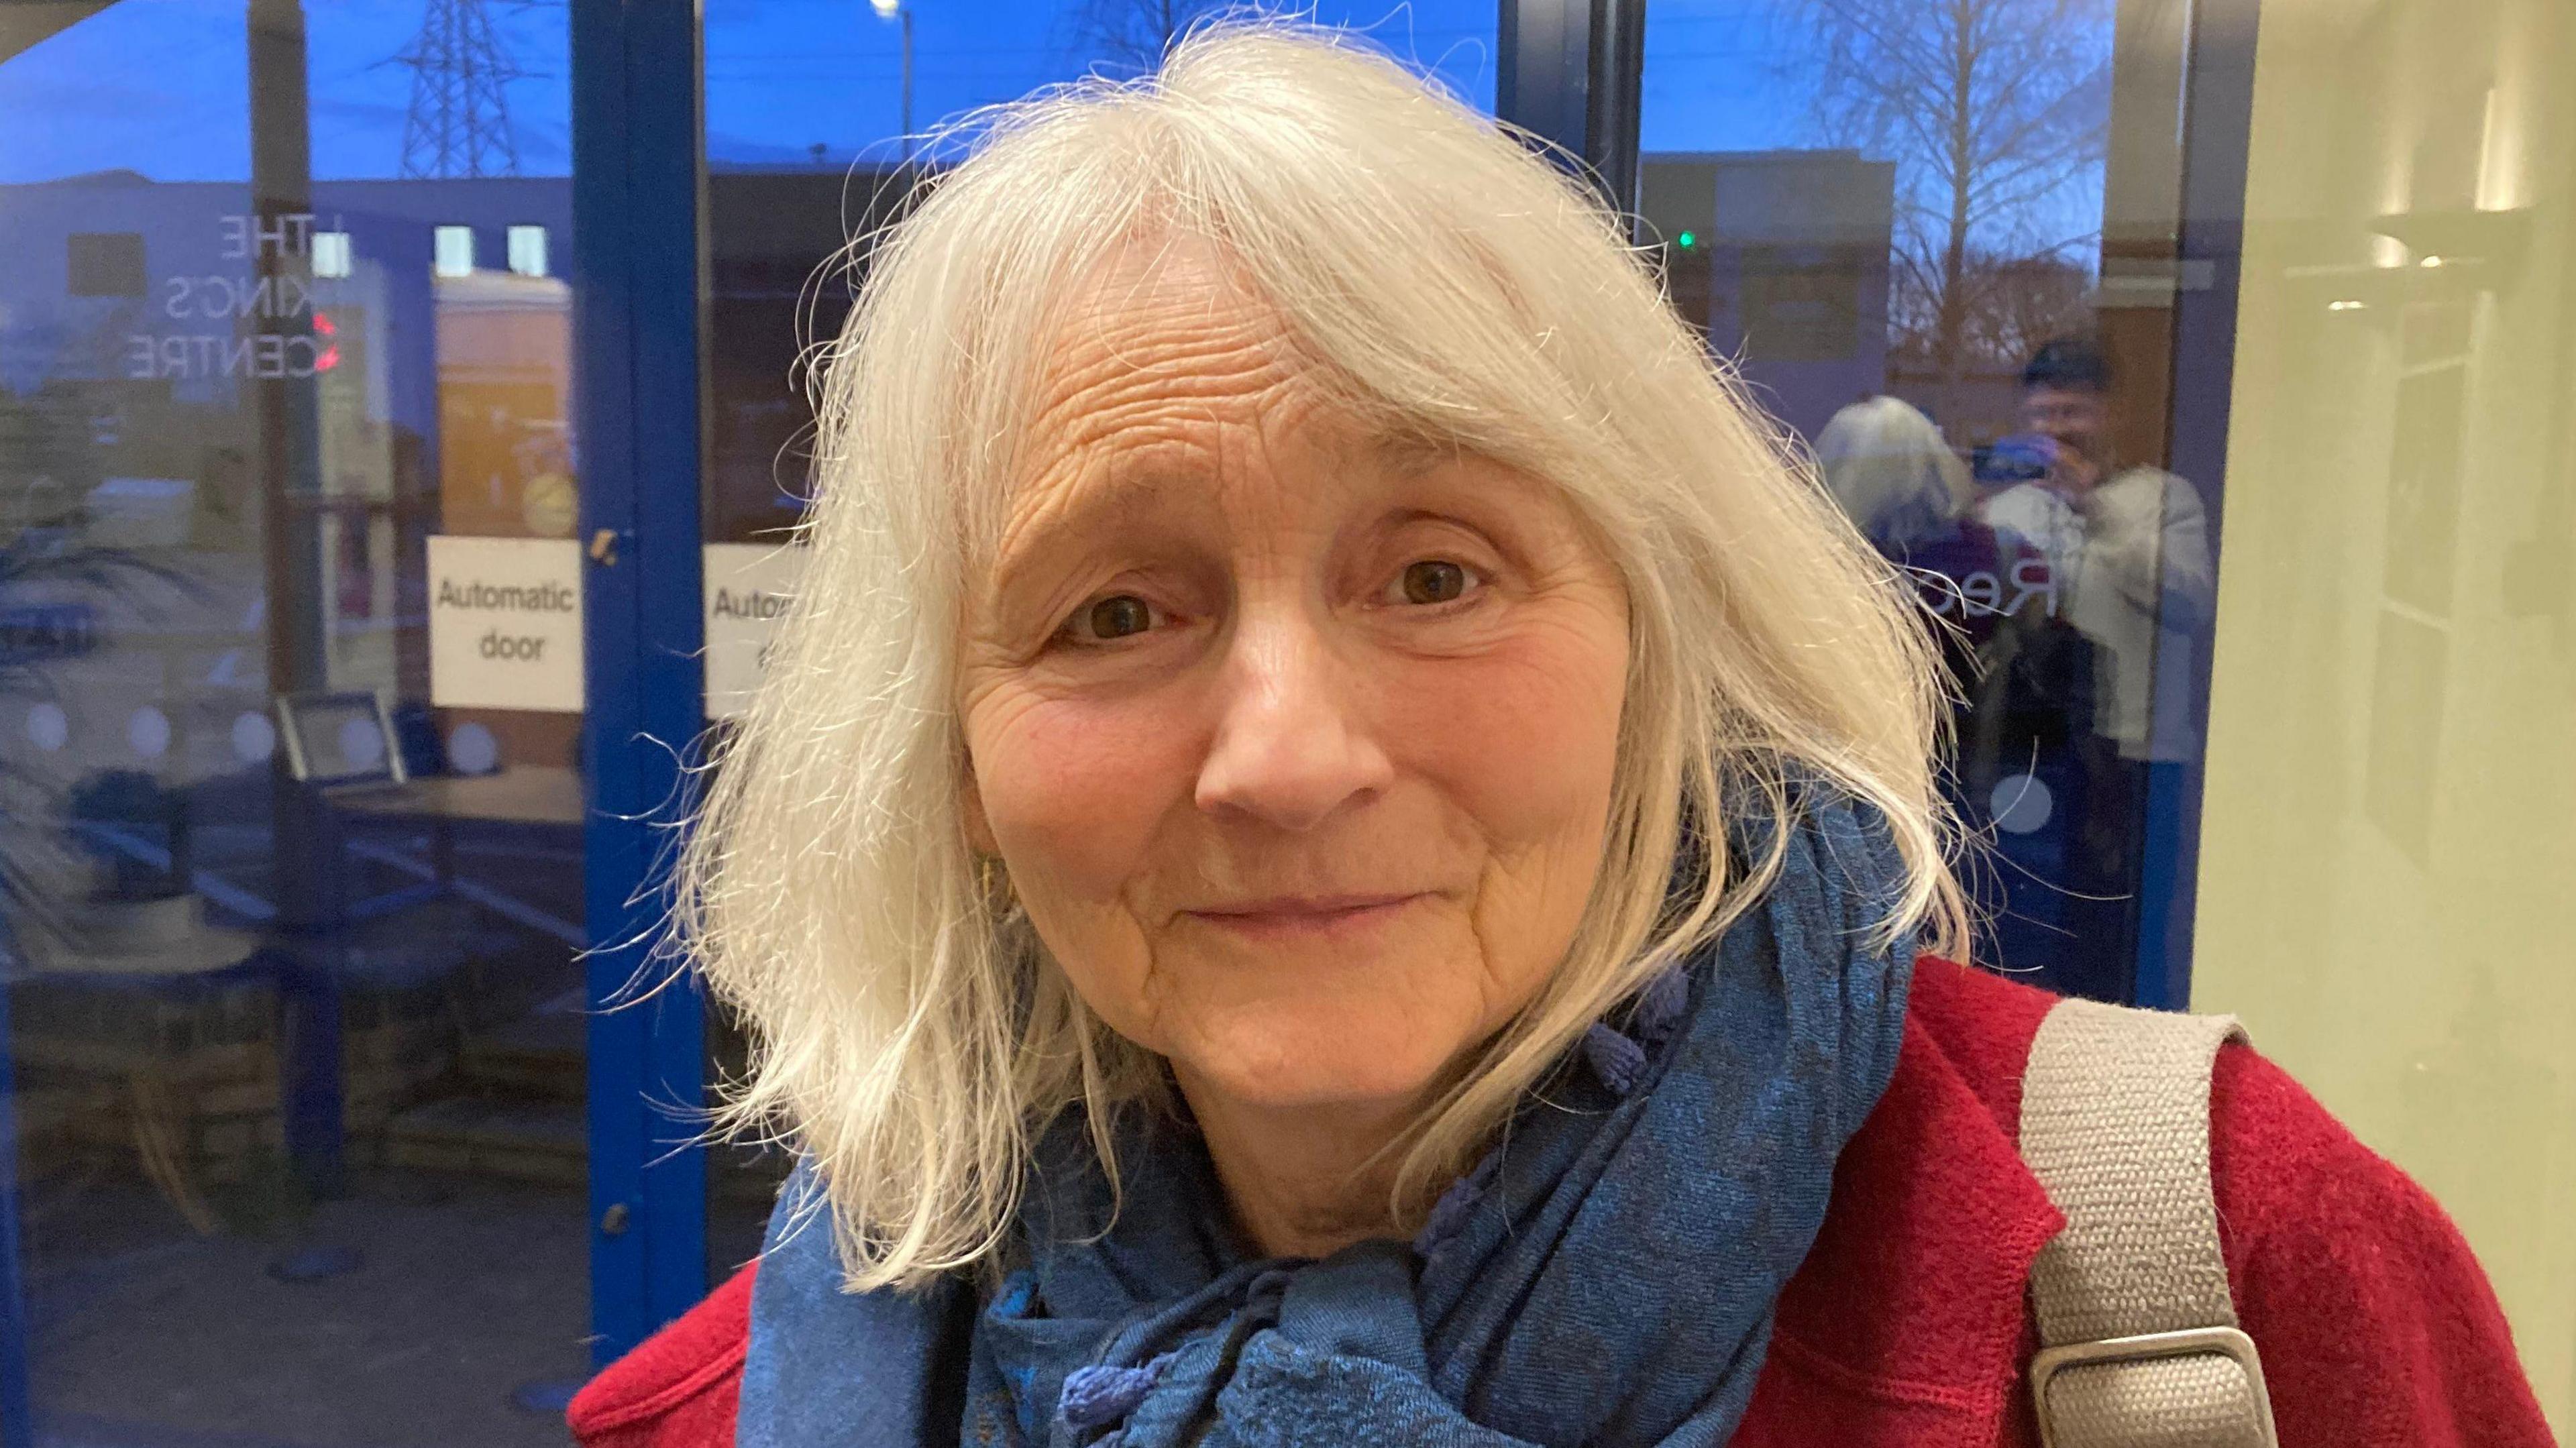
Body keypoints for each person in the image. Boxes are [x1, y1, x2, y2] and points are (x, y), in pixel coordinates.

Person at [568, 24, 2548, 1448]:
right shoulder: (752, 1396)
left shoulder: (2202, 1272)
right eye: (1112, 611)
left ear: (1657, 644)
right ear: (958, 773)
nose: (1286, 754)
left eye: (1434, 574)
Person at [1984, 340, 2216, 1001]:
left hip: (2141, 754)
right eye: (2043, 414)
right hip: (2035, 754)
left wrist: (2095, 508)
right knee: (2026, 926)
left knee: (2119, 937)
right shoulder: (2008, 512)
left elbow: (2190, 604)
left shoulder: (2163, 498)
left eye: (2073, 411)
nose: (2056, 430)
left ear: (2108, 415)